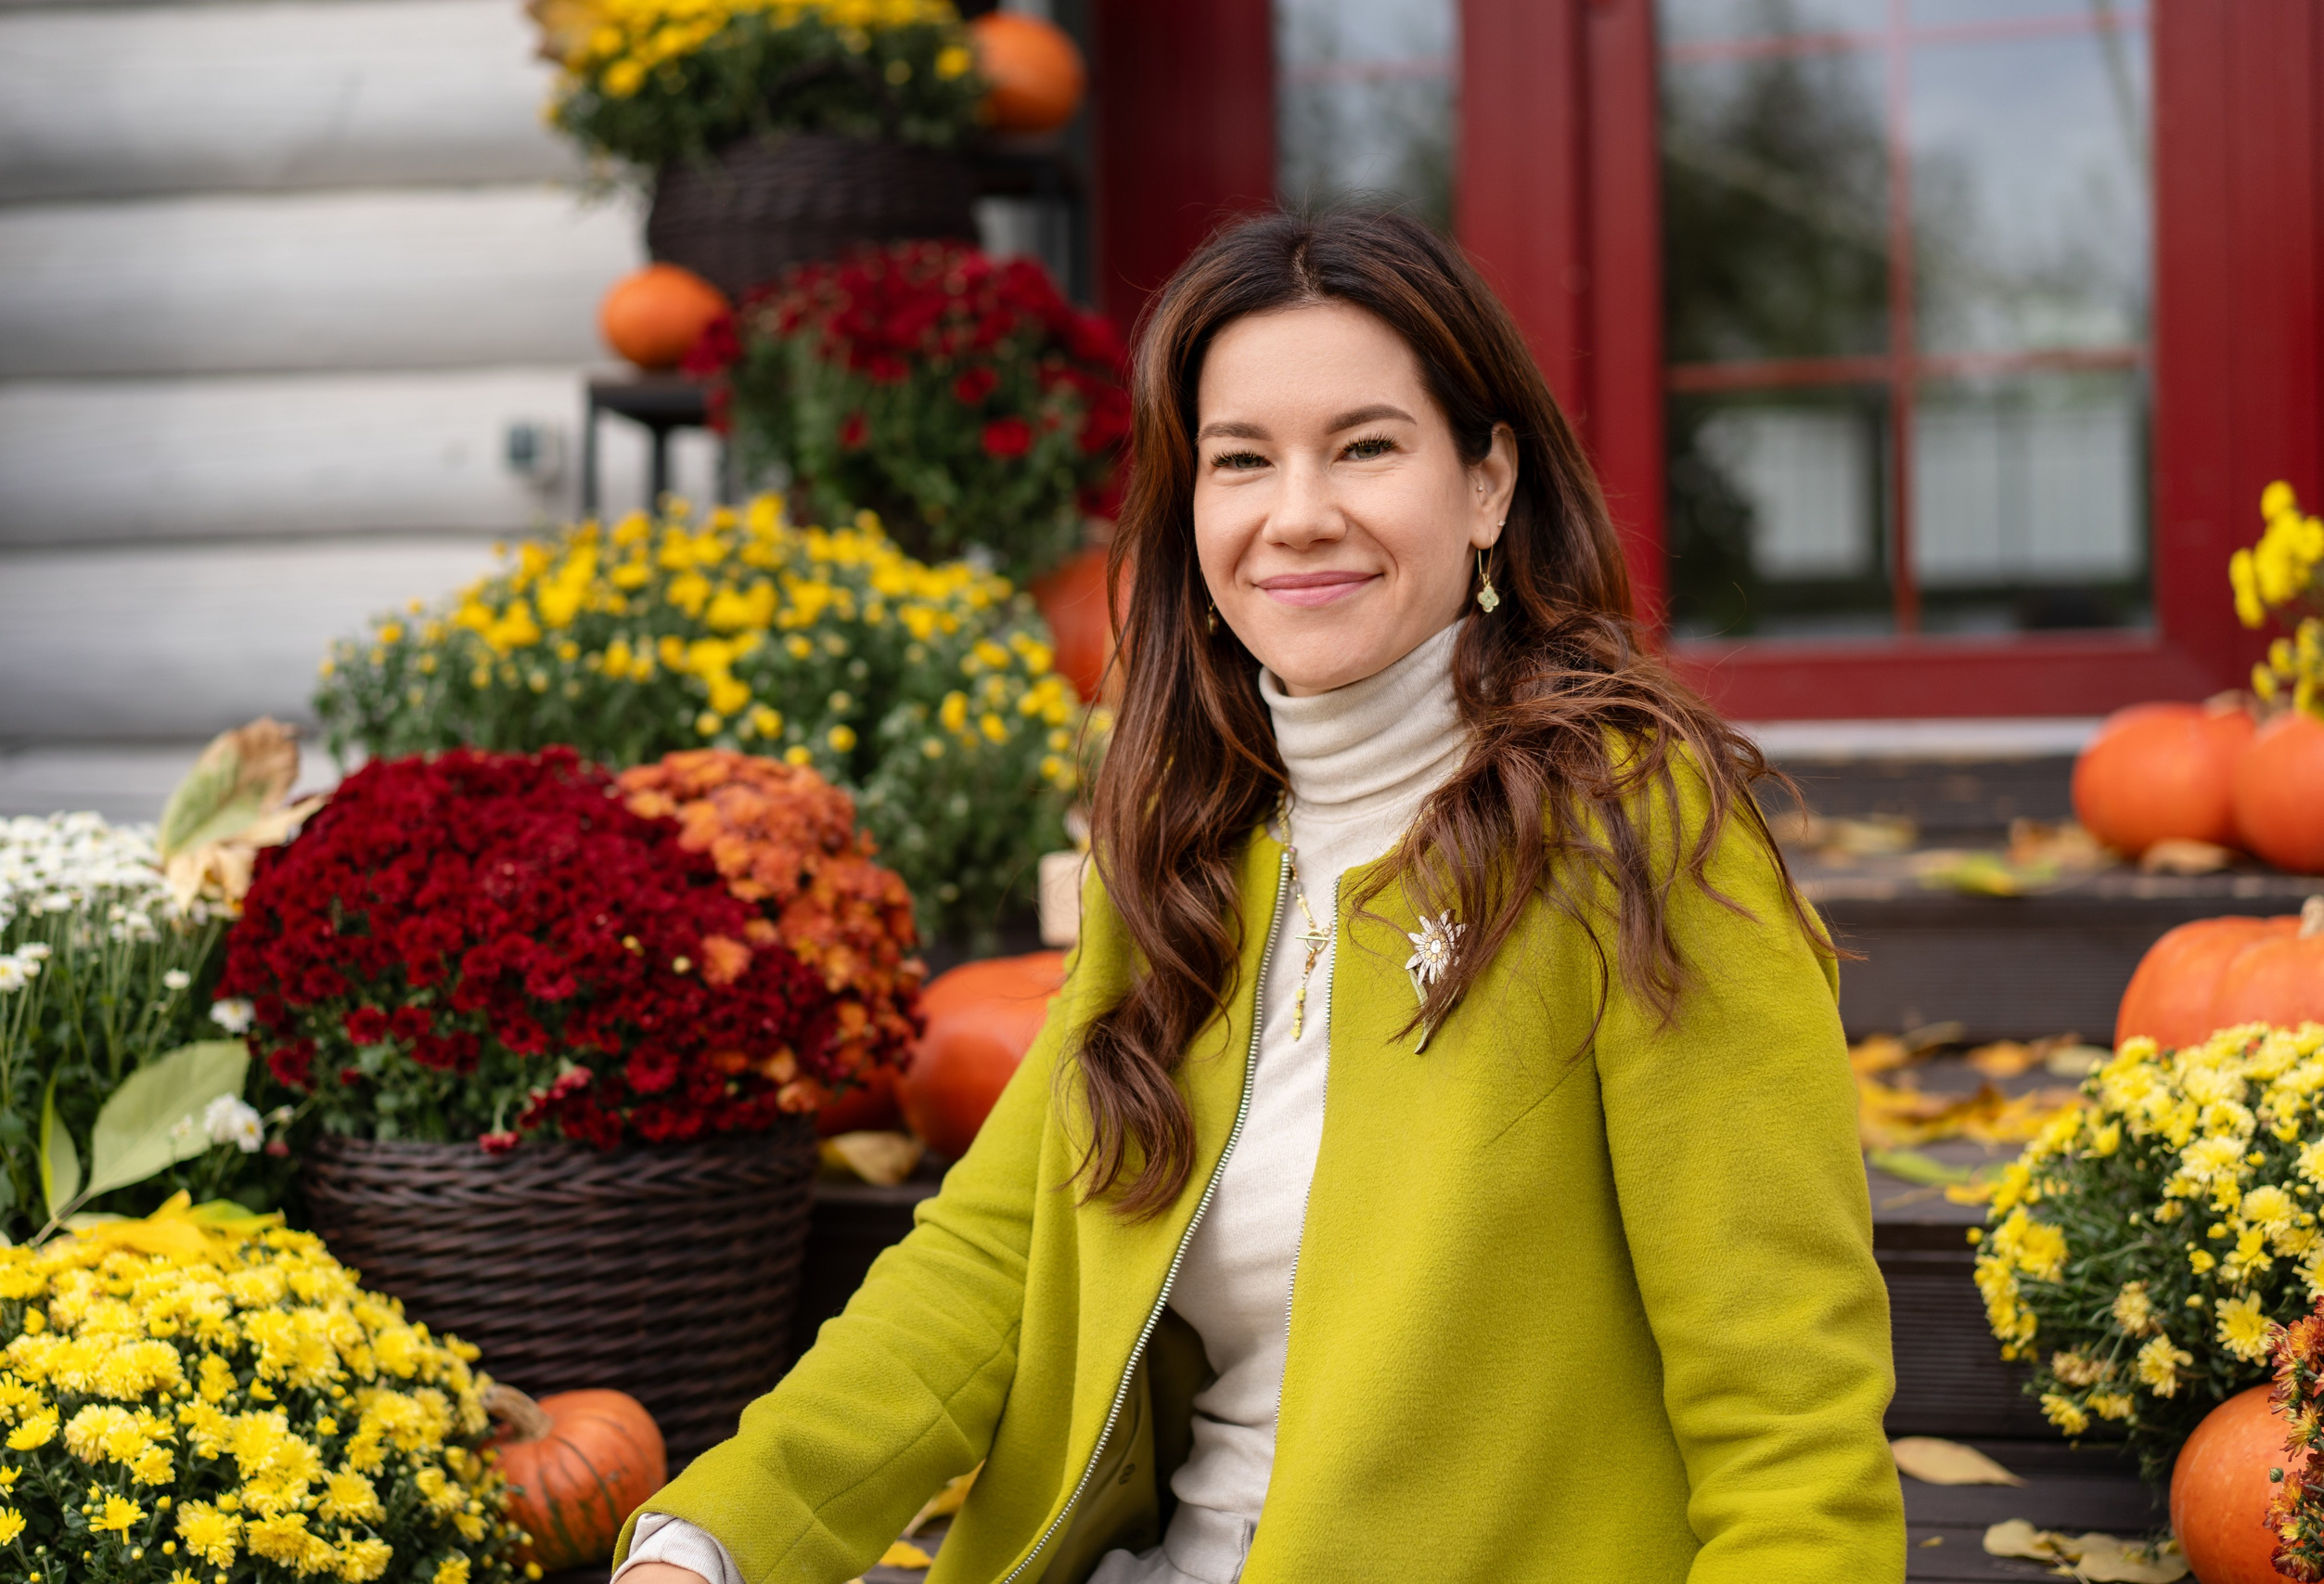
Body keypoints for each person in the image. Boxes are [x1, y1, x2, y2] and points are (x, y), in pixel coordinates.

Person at [614, 209, 1904, 1584]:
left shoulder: (1633, 834)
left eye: (1365, 446)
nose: (1298, 515)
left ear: (1486, 484)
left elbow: (1790, 1423)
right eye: (1242, 461)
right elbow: (992, 1259)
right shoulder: (1188, 846)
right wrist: (708, 1542)